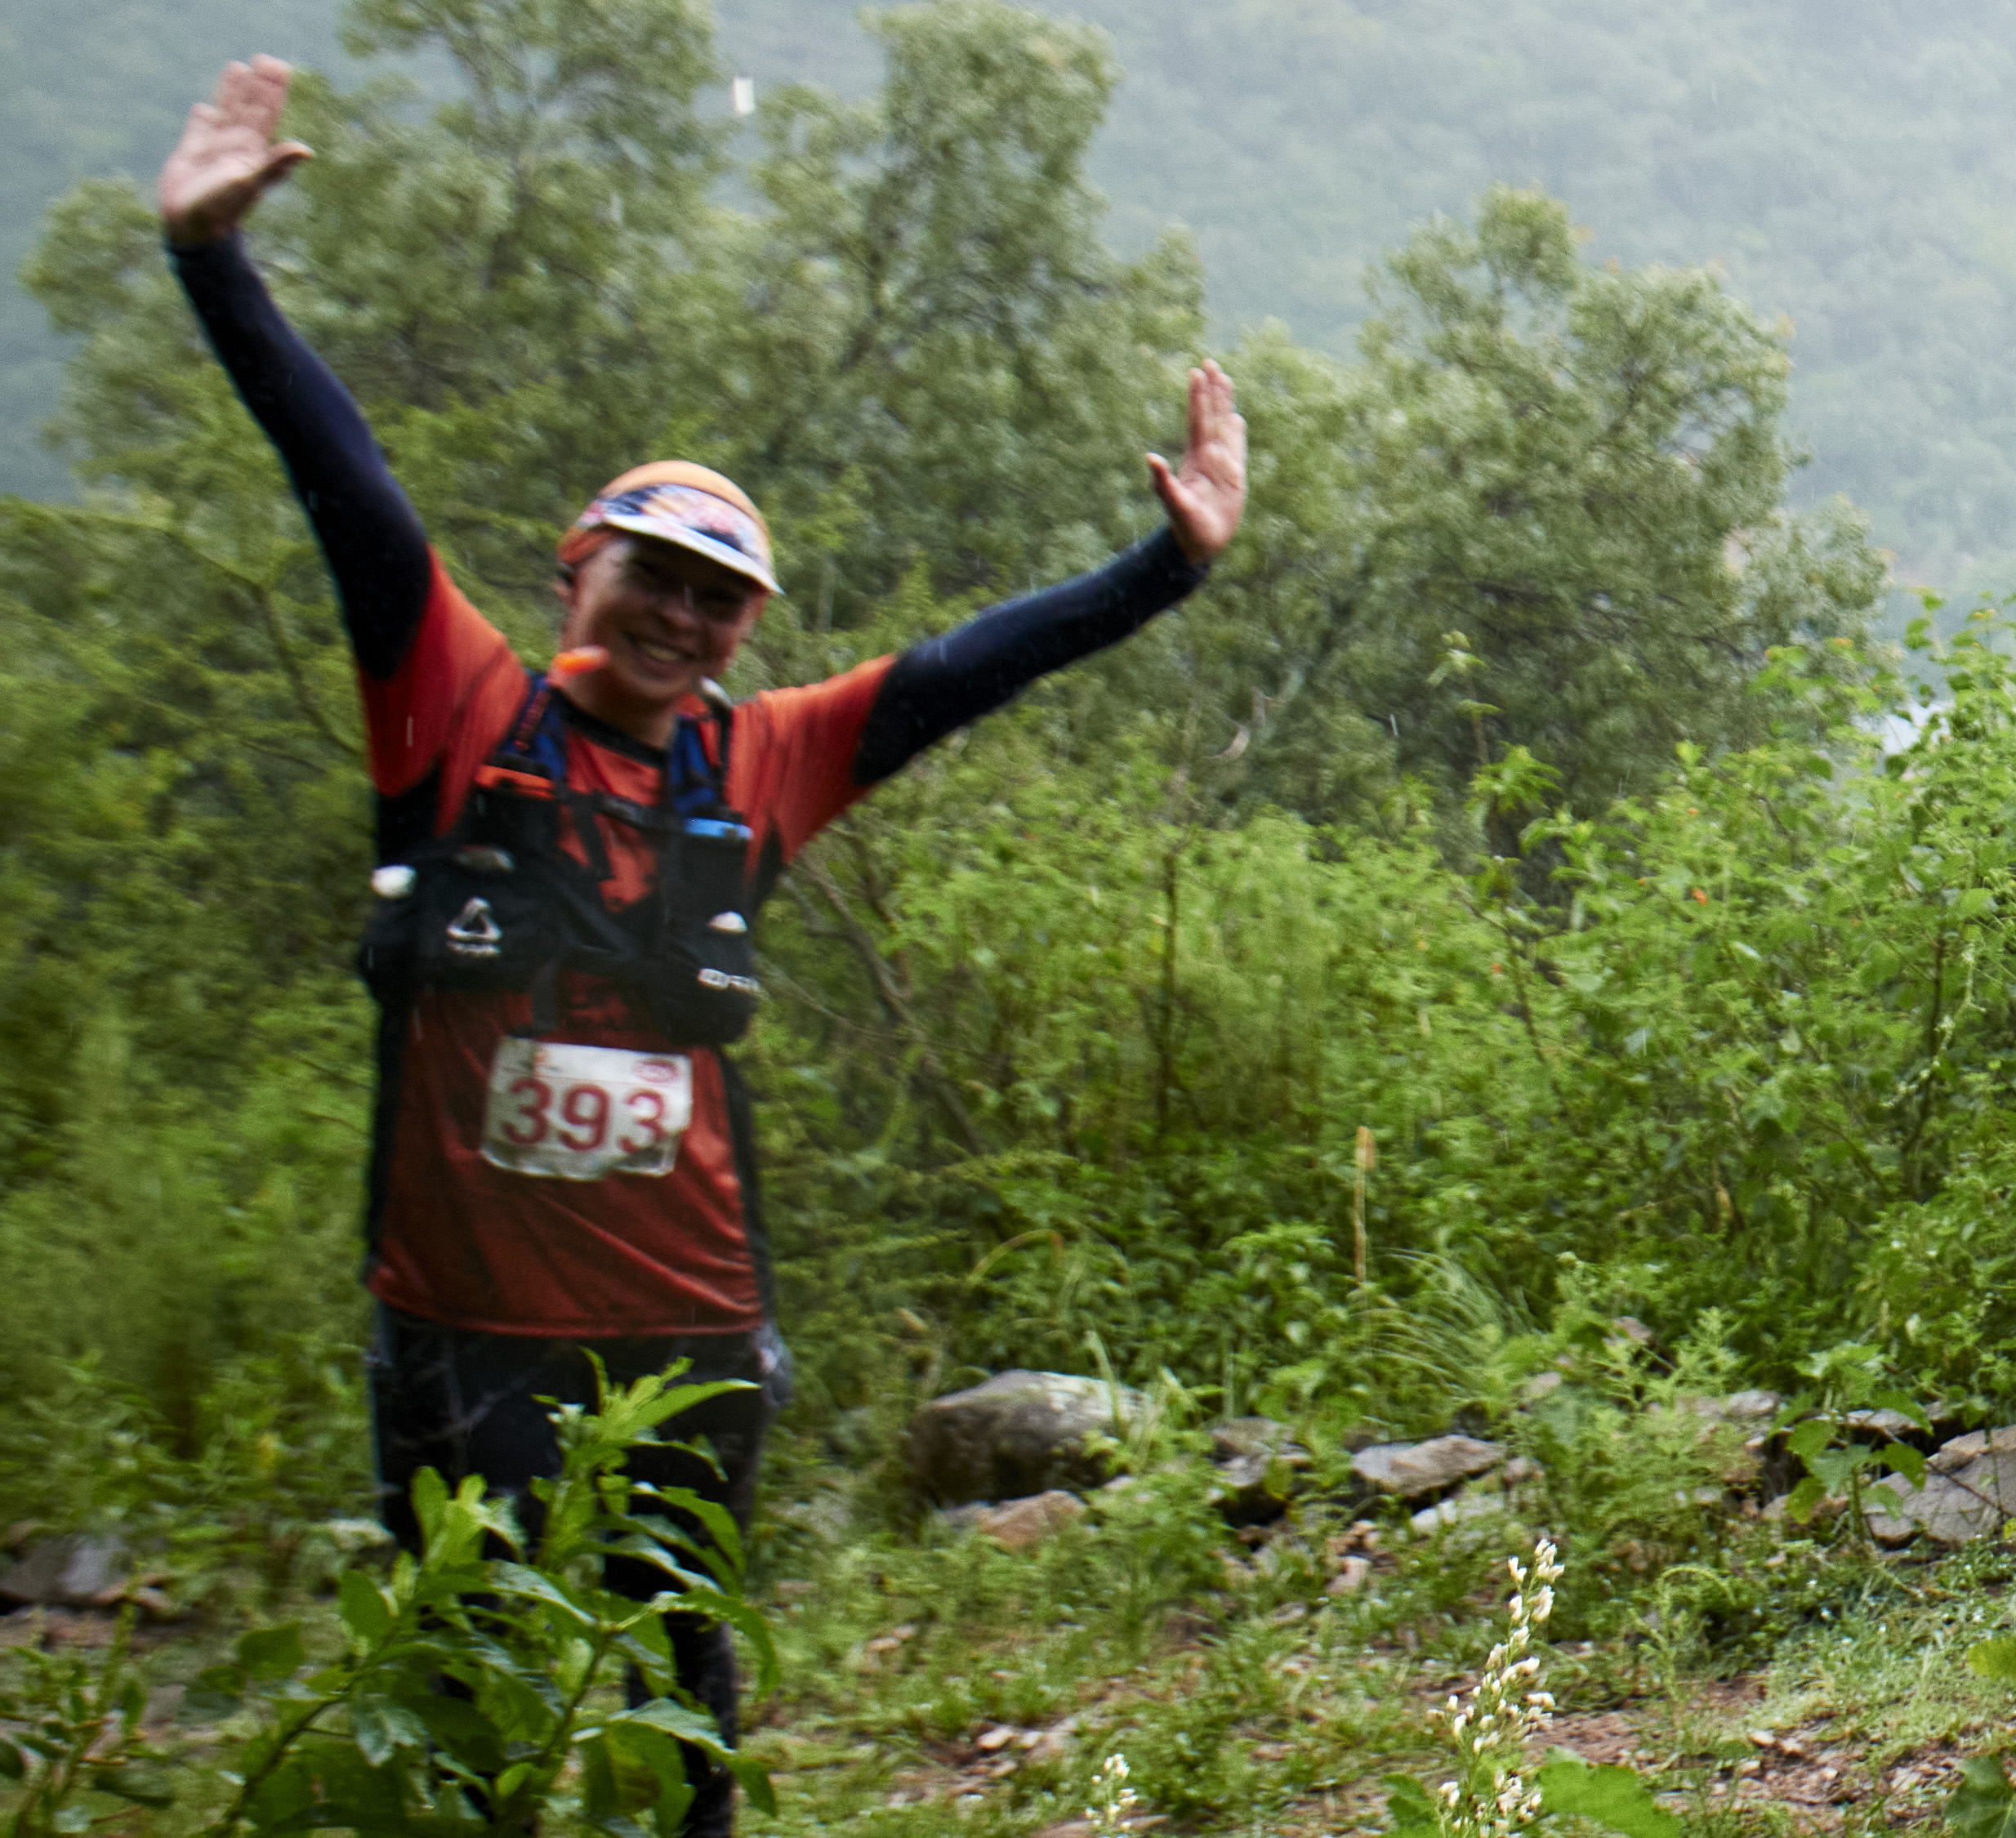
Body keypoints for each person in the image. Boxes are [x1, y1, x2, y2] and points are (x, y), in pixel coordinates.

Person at [156, 56, 1245, 1836]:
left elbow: (970, 668)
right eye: (650, 574)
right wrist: (214, 265)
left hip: (692, 1331)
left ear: (745, 629)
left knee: (683, 1686)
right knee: (466, 1701)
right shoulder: (456, 710)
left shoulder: (759, 763)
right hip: (463, 1333)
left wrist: (1168, 565)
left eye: (717, 597)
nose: (679, 614)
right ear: (574, 567)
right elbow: (349, 493)